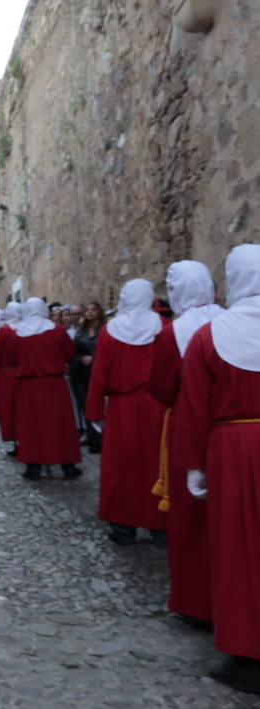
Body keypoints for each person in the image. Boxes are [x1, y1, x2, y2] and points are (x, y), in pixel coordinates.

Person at [176, 244, 260, 695]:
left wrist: (193, 465)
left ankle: (248, 653)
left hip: (233, 446)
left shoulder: (209, 336)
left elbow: (193, 408)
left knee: (238, 547)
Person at [148, 261, 223, 624]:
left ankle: (196, 603)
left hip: (188, 427)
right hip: (236, 432)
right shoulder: (231, 320)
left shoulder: (172, 334)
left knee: (191, 519)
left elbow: (161, 387)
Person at [86, 279, 168, 545]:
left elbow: (99, 375)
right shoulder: (163, 328)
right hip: (158, 406)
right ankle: (160, 527)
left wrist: (94, 411)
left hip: (123, 409)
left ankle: (123, 526)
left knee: (122, 466)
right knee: (158, 464)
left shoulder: (111, 332)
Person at [10, 298, 84, 480]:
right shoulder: (56, 330)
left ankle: (33, 466)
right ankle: (67, 465)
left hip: (28, 385)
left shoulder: (18, 333)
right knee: (60, 425)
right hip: (53, 384)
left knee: (31, 426)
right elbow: (69, 353)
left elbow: (12, 358)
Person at [0, 302, 23, 453]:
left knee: (14, 410)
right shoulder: (27, 327)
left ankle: (18, 443)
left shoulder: (4, 331)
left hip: (10, 375)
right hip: (28, 372)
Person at [73, 302, 105, 452]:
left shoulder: (105, 329)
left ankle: (103, 436)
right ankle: (93, 440)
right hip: (83, 373)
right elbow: (74, 350)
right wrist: (81, 358)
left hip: (100, 371)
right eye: (88, 310)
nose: (90, 312)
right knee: (87, 405)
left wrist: (96, 358)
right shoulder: (81, 331)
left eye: (94, 309)